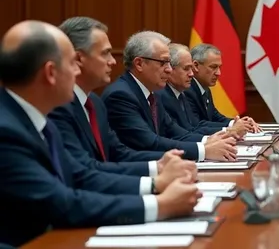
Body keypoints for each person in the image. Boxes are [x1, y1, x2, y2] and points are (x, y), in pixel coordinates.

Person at [0, 20, 200, 247]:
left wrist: (157, 182)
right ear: (50, 73)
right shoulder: (7, 132)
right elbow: (59, 202)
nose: (76, 71)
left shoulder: (38, 120)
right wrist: (160, 205)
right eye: (71, 63)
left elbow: (81, 175)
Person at [49, 16, 189, 177]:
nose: (113, 61)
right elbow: (85, 171)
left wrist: (162, 163)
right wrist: (154, 183)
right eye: (105, 53)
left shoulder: (94, 102)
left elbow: (119, 153)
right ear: (79, 58)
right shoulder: (58, 106)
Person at [101, 31, 237, 162]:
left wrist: (209, 141)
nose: (169, 69)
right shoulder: (121, 95)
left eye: (169, 63)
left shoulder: (151, 93)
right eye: (163, 63)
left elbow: (177, 132)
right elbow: (150, 142)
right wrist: (203, 150)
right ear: (139, 64)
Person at [159, 43, 251, 137]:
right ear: (169, 69)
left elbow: (198, 125)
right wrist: (228, 131)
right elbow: (184, 133)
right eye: (186, 68)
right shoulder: (169, 94)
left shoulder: (182, 92)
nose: (191, 74)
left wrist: (235, 124)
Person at [185, 43, 260, 131]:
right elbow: (197, 124)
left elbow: (215, 116)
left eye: (219, 67)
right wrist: (231, 130)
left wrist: (239, 123)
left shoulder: (205, 88)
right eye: (213, 67)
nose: (218, 73)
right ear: (196, 66)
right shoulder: (186, 90)